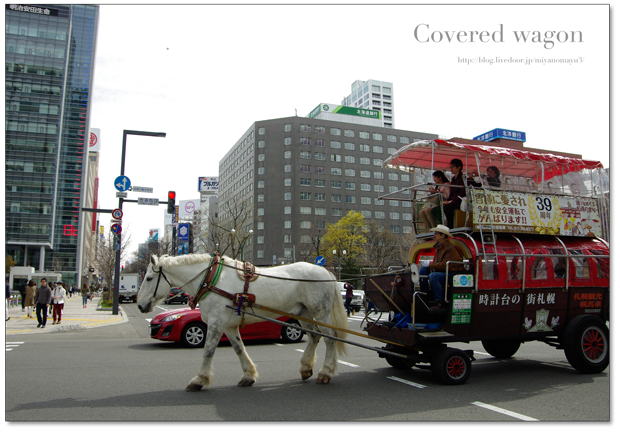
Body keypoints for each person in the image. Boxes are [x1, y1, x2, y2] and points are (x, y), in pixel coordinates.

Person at [418, 225, 465, 309]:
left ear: (443, 235)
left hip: (452, 274)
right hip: (444, 272)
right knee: (423, 270)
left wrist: (430, 264)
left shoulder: (451, 249)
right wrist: (429, 265)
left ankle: (439, 301)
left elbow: (445, 265)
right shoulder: (439, 248)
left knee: (434, 276)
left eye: (436, 233)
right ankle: (425, 295)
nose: (434, 235)